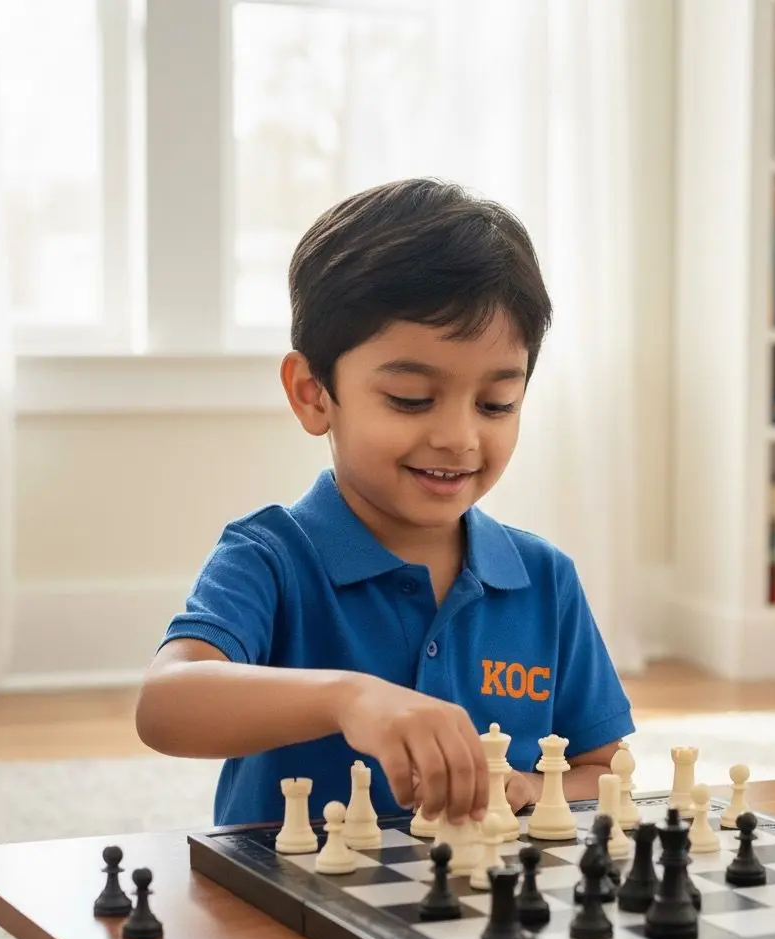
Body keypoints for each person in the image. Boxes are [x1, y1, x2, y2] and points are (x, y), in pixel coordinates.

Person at [135, 178, 635, 830]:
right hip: (298, 906)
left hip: (486, 915)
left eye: (495, 405)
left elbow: (603, 767)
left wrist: (527, 791)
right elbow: (165, 707)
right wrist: (349, 697)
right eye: (409, 398)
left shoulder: (544, 580)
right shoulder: (271, 557)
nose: (458, 437)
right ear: (314, 394)